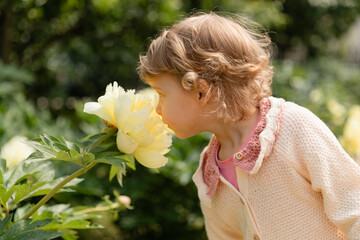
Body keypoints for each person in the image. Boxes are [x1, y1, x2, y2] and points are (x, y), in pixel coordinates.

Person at [138, 12, 360, 239]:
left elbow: (354, 206)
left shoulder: (293, 127)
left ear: (201, 91)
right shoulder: (209, 175)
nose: (157, 108)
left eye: (162, 94)